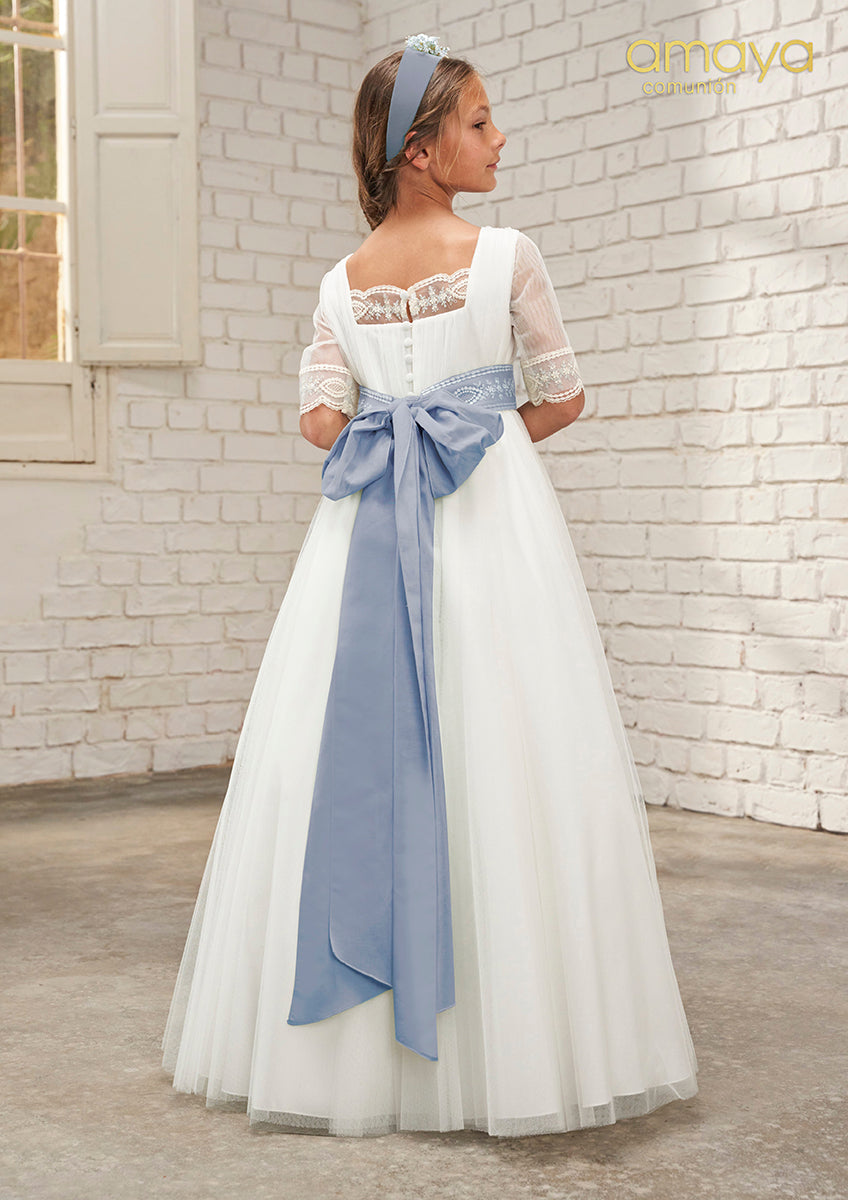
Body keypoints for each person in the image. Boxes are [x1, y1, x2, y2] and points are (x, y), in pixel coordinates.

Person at [161, 33, 699, 1138]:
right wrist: (473, 445)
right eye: (479, 123)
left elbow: (321, 422)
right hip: (492, 525)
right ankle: (511, 1042)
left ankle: (350, 1047)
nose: (500, 139)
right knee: (506, 745)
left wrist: (388, 424)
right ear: (419, 149)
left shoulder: (339, 282)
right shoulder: (507, 257)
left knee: (351, 748)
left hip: (362, 539)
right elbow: (561, 396)